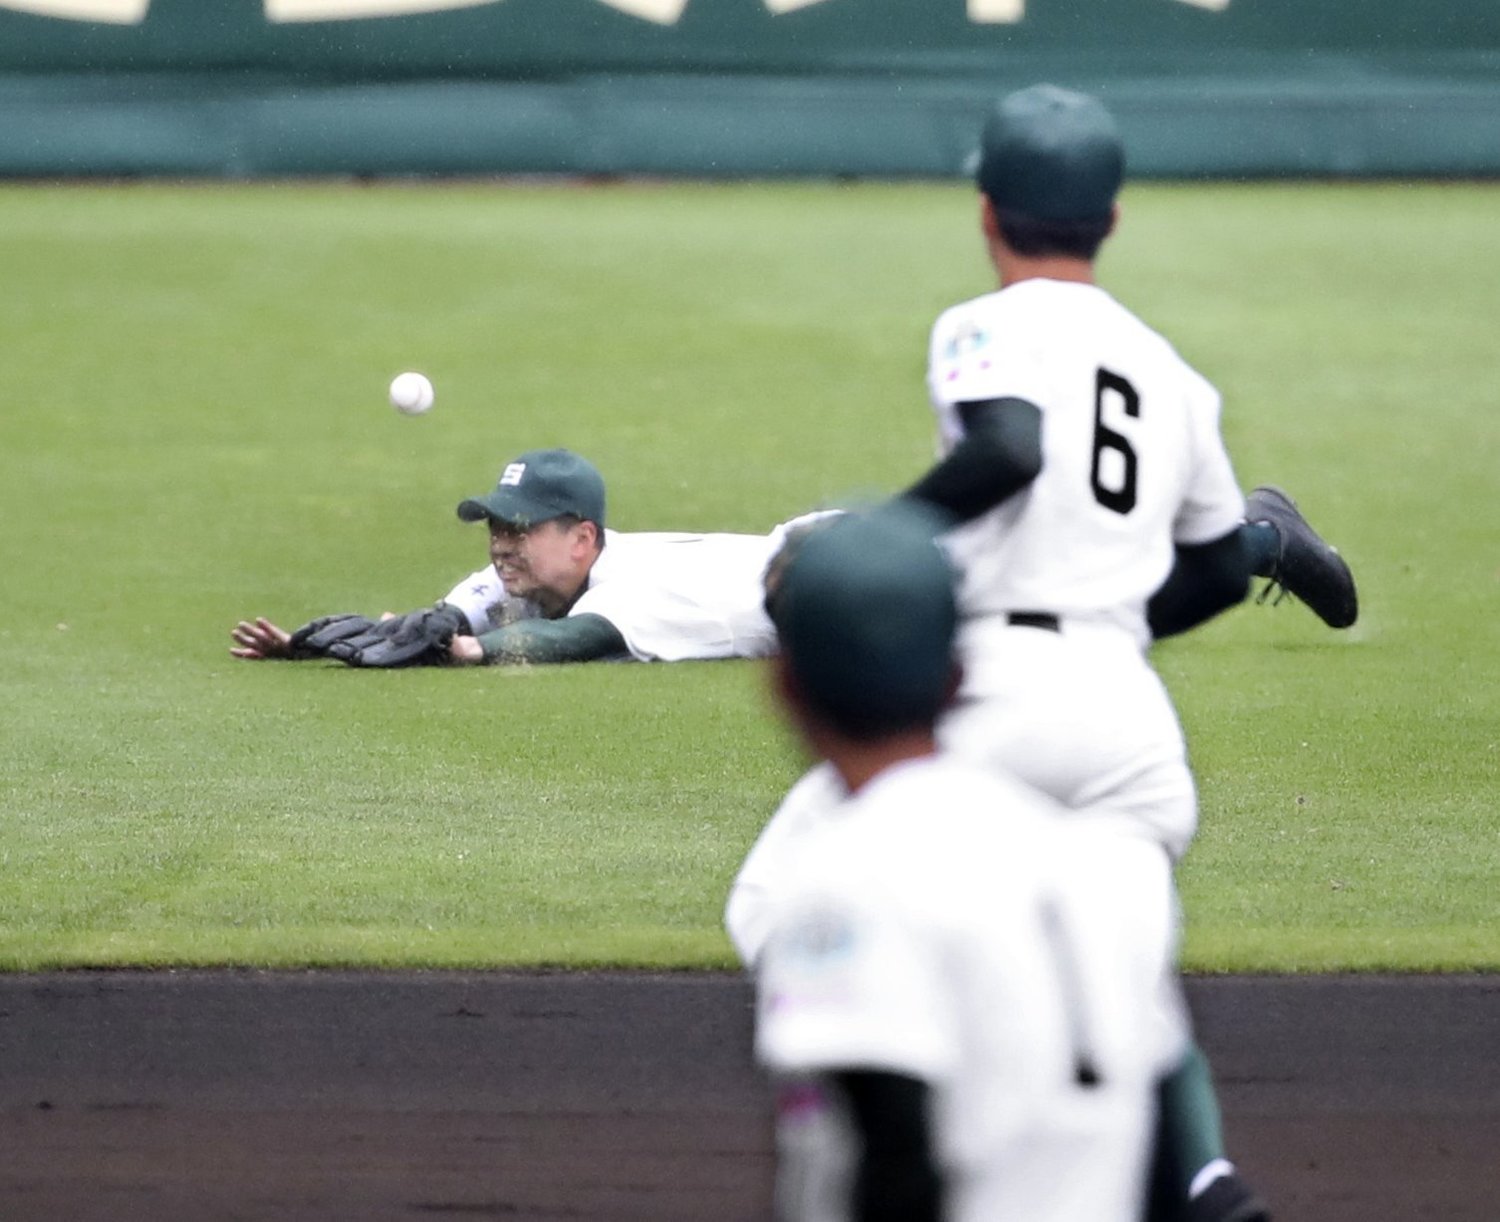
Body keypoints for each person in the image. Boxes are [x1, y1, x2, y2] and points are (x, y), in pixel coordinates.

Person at [732, 83, 1334, 1222]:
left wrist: (876, 537)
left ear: (986, 211)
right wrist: (1106, 619)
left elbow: (1010, 445)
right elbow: (1217, 568)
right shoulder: (1173, 374)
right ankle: (1201, 1186)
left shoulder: (985, 324)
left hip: (998, 699)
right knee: (1117, 980)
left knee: (778, 899)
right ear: (1111, 219)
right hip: (1128, 724)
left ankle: (911, 1136)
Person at [751, 504, 1189, 1222]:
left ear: (785, 688)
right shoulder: (1101, 866)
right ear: (956, 679)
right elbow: (1164, 1150)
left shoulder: (839, 875)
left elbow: (894, 1161)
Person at [230, 448, 835, 668]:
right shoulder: (530, 575)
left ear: (582, 539)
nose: (501, 544)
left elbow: (572, 638)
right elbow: (440, 621)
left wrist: (473, 652)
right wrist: (306, 646)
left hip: (830, 568)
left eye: (520, 530)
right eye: (496, 527)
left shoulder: (637, 588)